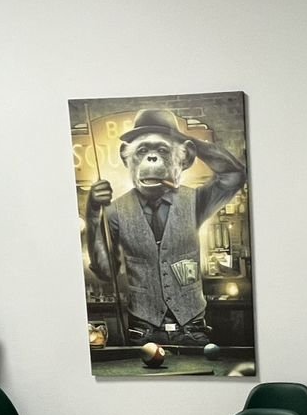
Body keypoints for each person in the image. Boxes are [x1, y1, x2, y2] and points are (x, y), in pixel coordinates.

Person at [85, 108, 247, 345]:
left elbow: (234, 174)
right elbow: (105, 271)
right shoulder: (115, 211)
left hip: (191, 327)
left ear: (184, 158)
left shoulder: (195, 201)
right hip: (143, 329)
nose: (152, 159)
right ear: (126, 158)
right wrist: (92, 212)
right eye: (142, 151)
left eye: (162, 150)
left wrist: (188, 144)